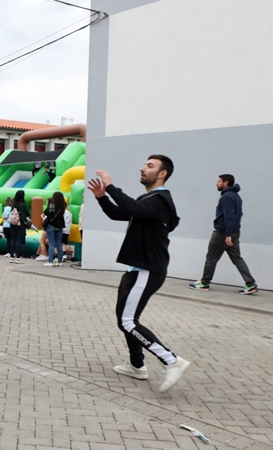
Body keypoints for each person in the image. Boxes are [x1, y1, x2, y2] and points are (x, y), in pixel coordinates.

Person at [87, 154, 190, 393]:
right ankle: (137, 366)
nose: (142, 169)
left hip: (147, 269)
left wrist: (110, 186)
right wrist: (102, 198)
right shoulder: (149, 201)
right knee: (124, 320)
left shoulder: (160, 199)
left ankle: (172, 361)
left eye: (150, 166)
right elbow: (119, 213)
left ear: (162, 174)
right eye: (145, 164)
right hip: (137, 268)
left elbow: (131, 206)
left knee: (128, 321)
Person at [190, 174, 257, 294]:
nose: (216, 183)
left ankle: (204, 283)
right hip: (234, 232)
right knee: (237, 258)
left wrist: (228, 235)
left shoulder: (227, 197)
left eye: (219, 181)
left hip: (223, 233)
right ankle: (250, 284)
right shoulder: (236, 196)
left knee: (211, 258)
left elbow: (229, 216)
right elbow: (238, 215)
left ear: (226, 183)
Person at [43, 192, 67, 267]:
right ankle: (60, 261)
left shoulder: (52, 205)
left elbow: (47, 213)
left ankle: (50, 261)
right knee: (59, 244)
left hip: (51, 226)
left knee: (52, 244)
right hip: (60, 227)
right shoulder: (62, 206)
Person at [9, 190, 30, 264]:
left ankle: (11, 257)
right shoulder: (23, 204)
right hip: (20, 224)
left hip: (12, 224)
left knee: (13, 240)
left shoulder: (13, 204)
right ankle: (18, 258)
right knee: (19, 241)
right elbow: (28, 213)